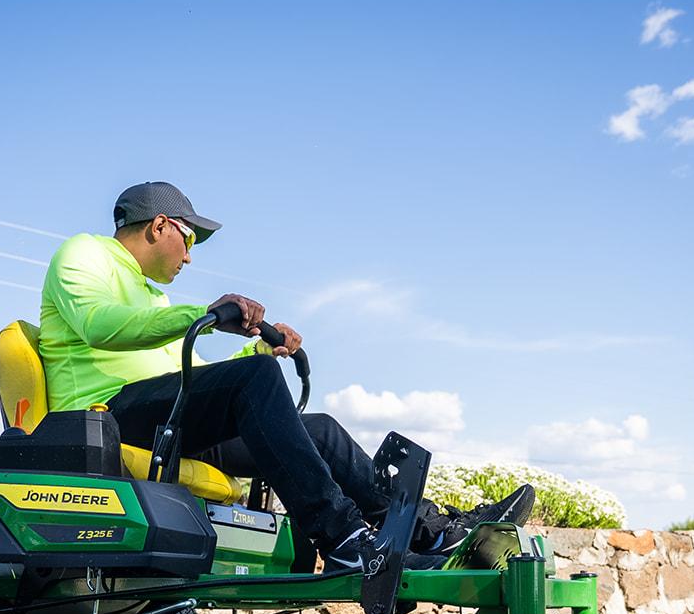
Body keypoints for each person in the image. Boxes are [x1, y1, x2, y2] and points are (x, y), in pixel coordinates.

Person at [38, 181, 531, 570]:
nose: (189, 255)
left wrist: (258, 350)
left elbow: (193, 376)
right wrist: (202, 316)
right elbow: (98, 326)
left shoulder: (151, 296)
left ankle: (429, 532)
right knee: (252, 381)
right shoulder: (85, 254)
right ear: (160, 225)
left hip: (168, 419)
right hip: (106, 416)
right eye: (189, 240)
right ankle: (343, 540)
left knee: (320, 431)